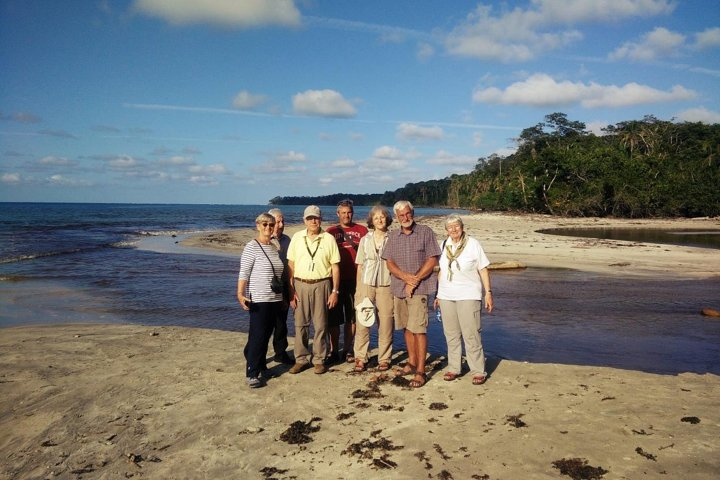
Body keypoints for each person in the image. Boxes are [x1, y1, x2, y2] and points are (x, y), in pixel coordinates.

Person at [382, 200, 441, 388]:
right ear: (397, 218)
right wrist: (406, 278)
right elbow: (389, 262)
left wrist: (414, 280)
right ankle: (412, 362)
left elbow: (432, 260)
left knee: (419, 329)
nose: (405, 218)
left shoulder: (425, 232)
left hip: (420, 290)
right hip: (399, 289)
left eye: (408, 214)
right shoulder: (393, 236)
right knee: (406, 328)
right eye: (401, 216)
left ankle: (421, 371)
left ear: (412, 212)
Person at [434, 215, 494, 385]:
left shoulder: (473, 244)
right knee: (451, 335)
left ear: (462, 227)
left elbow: (483, 269)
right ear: (446, 230)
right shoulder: (443, 245)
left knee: (471, 334)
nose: (453, 230)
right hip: (446, 296)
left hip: (469, 295)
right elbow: (441, 271)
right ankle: (454, 368)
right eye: (450, 227)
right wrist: (438, 294)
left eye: (456, 226)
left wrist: (488, 292)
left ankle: (478, 370)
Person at [286, 205, 341, 375]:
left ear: (320, 219)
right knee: (300, 324)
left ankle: (319, 360)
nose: (313, 221)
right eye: (310, 218)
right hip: (300, 284)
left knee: (321, 324)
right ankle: (301, 359)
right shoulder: (296, 237)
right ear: (304, 220)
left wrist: (335, 291)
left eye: (316, 218)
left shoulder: (328, 238)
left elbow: (335, 267)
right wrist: (291, 290)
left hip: (322, 284)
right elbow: (291, 265)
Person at [237, 213, 286, 388]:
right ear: (257, 225)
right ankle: (252, 372)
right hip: (259, 298)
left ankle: (262, 365)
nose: (268, 227)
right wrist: (240, 293)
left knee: (266, 334)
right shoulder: (252, 247)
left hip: (275, 298)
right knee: (258, 335)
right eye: (264, 224)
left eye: (271, 224)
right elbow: (244, 273)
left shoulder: (274, 246)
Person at [326, 199, 368, 364]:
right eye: (343, 212)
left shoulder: (362, 230)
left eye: (348, 212)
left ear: (353, 213)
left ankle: (348, 350)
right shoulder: (330, 231)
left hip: (355, 281)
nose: (346, 215)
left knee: (352, 317)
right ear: (338, 214)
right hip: (334, 282)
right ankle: (334, 350)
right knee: (334, 319)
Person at [353, 205, 394, 372]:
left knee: (385, 322)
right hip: (366, 284)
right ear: (371, 221)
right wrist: (358, 290)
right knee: (363, 321)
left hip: (386, 284)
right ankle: (361, 357)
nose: (379, 220)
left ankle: (384, 358)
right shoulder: (365, 240)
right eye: (376, 218)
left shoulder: (393, 238)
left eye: (382, 217)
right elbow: (360, 266)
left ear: (387, 219)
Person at [267, 208, 294, 365]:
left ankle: (280, 353)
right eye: (278, 221)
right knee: (265, 323)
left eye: (283, 221)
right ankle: (259, 355)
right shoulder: (264, 240)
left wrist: (290, 288)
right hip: (267, 287)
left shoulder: (287, 240)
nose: (281, 224)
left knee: (281, 322)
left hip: (283, 285)